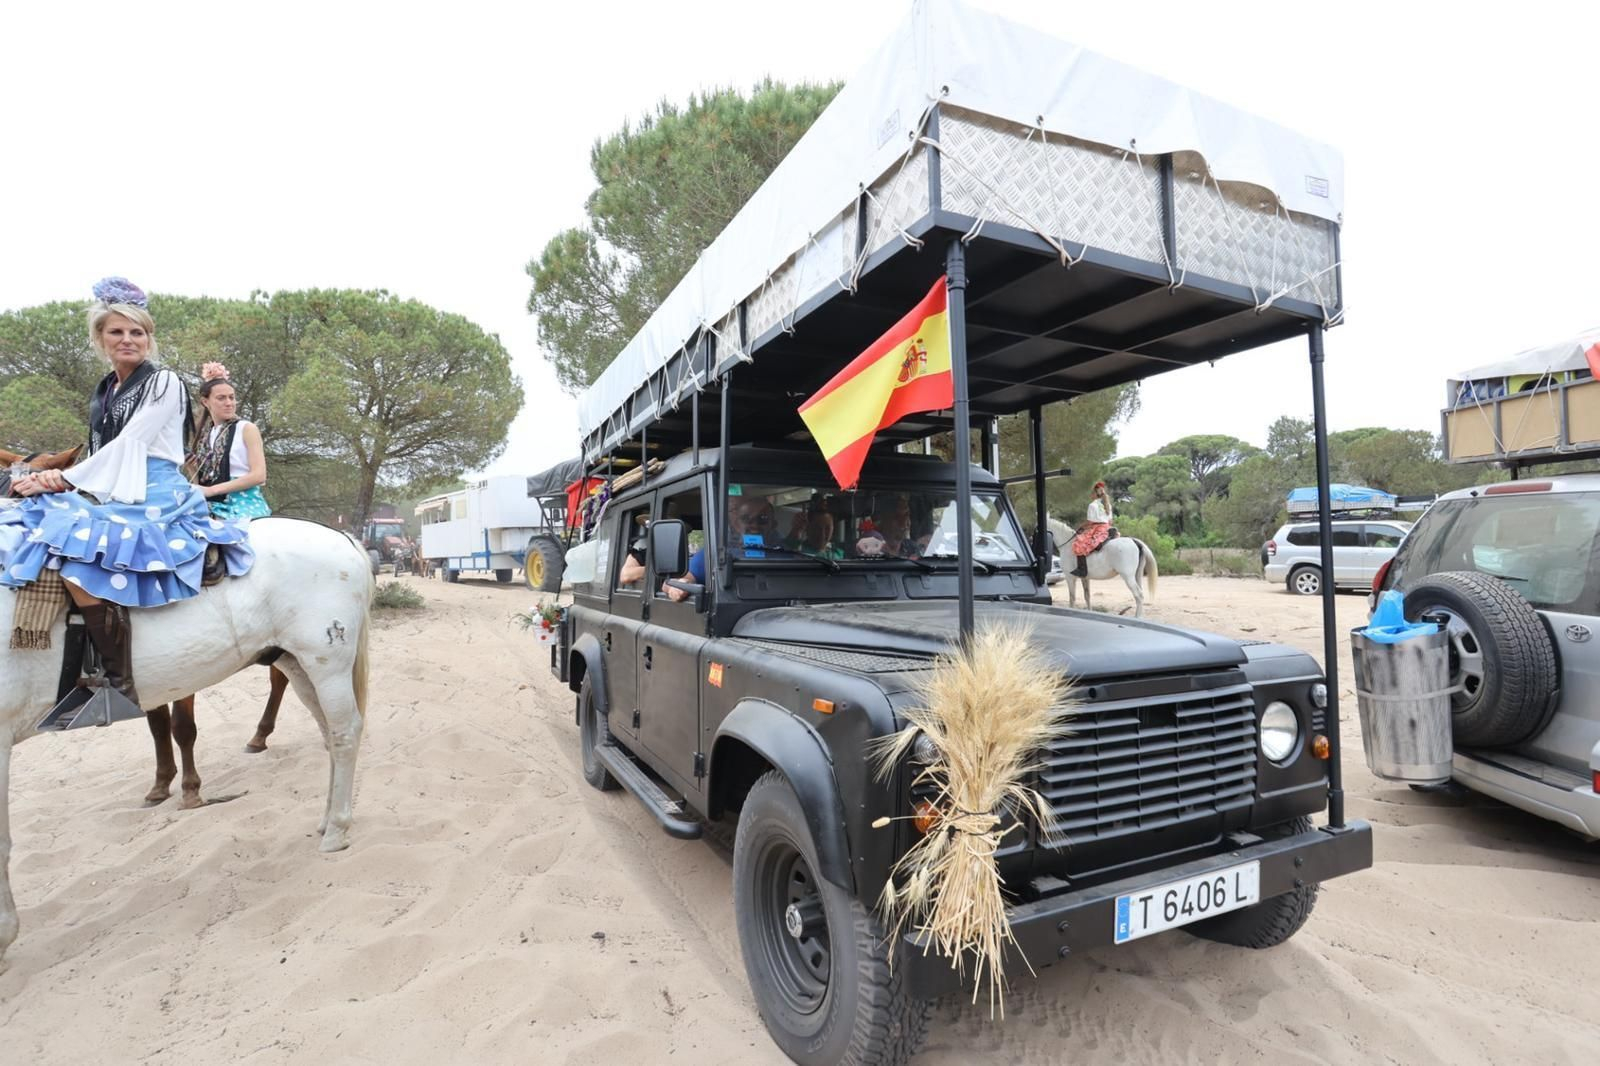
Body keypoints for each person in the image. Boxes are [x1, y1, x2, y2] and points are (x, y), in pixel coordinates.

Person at [0, 278, 254, 706]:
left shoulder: (163, 382)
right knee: (23, 519)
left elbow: (131, 444)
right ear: (100, 338)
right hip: (116, 486)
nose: (128, 339)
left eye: (137, 332)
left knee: (76, 555)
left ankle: (118, 684)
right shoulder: (106, 389)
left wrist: (64, 478)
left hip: (155, 492)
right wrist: (45, 478)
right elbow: (103, 451)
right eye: (116, 331)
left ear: (149, 338)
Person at [190, 362, 270, 520]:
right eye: (221, 398)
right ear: (205, 402)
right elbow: (204, 482)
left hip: (242, 502)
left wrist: (213, 490)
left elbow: (259, 475)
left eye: (231, 398)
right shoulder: (205, 437)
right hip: (210, 501)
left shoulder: (247, 428)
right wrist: (192, 469)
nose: (229, 403)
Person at [663, 494, 775, 602]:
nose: (754, 525)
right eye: (746, 519)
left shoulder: (789, 553)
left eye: (762, 519)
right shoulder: (714, 553)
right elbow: (671, 583)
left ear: (773, 524)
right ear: (737, 524)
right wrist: (680, 586)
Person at [855, 493, 919, 558]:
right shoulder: (868, 548)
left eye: (906, 515)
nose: (904, 524)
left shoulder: (912, 548)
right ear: (882, 520)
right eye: (896, 517)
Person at [1071, 480, 1114, 577]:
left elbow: (1090, 523)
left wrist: (1080, 527)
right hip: (1107, 528)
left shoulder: (1092, 505)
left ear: (1095, 493)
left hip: (1097, 529)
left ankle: (1082, 570)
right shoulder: (1108, 505)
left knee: (1079, 544)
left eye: (1092, 493)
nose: (1091, 495)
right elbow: (1110, 521)